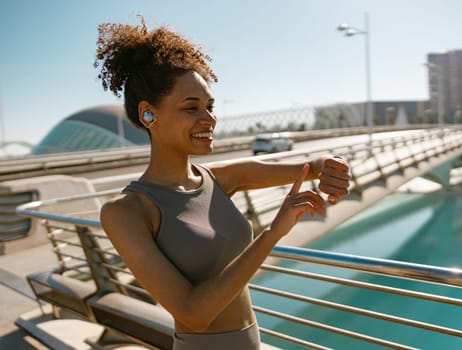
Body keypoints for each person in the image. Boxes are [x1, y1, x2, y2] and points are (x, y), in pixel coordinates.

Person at [97, 16, 350, 350]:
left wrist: (325, 167)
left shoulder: (216, 179)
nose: (210, 118)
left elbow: (287, 168)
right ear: (148, 115)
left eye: (210, 106)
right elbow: (193, 313)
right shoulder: (126, 211)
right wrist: (273, 234)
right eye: (192, 108)